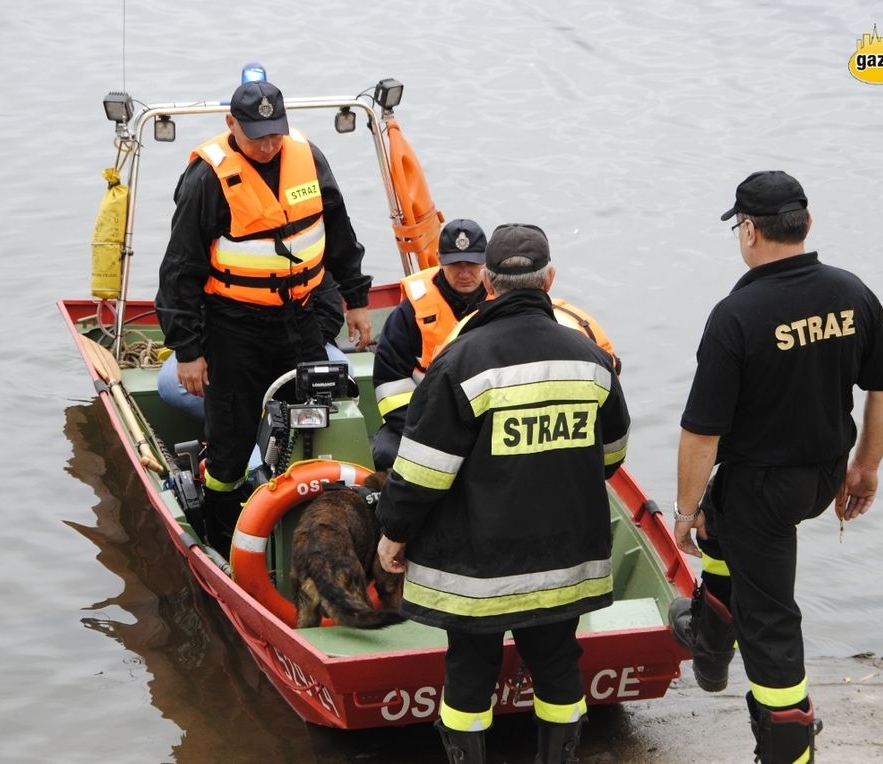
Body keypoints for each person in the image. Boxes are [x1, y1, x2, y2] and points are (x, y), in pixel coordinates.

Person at [374, 224, 631, 764]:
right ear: (550, 280)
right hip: (567, 562)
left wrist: (393, 534)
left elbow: (422, 472)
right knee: (560, 669)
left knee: (469, 675)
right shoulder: (590, 357)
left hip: (477, 572)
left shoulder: (461, 360)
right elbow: (612, 455)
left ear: (488, 283)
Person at [670, 171, 883, 764]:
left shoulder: (737, 315)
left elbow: (702, 432)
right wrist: (865, 468)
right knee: (721, 521)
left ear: (748, 230)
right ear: (807, 222)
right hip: (822, 476)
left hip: (762, 491)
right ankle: (712, 636)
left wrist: (683, 511)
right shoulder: (852, 293)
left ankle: (788, 747)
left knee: (771, 623)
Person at [155, 79, 372, 556]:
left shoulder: (307, 157)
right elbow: (179, 272)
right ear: (231, 124)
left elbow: (338, 231)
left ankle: (313, 531)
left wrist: (355, 299)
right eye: (257, 135)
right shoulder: (207, 179)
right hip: (234, 328)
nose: (269, 145)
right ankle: (225, 538)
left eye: (275, 133)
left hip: (303, 319)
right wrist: (188, 352)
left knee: (317, 422)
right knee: (229, 442)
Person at [371, 218, 491, 470]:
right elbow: (390, 387)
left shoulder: (502, 304)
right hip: (422, 422)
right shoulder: (409, 313)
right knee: (385, 453)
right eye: (455, 264)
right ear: (439, 259)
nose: (465, 273)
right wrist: (429, 433)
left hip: (487, 423)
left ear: (486, 262)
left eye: (472, 263)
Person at [157, 272, 350, 422]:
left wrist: (288, 346)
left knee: (343, 373)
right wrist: (193, 350)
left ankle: (288, 425)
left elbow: (330, 312)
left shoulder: (304, 246)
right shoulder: (209, 246)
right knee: (170, 384)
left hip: (300, 345)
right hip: (221, 344)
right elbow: (176, 300)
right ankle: (246, 426)